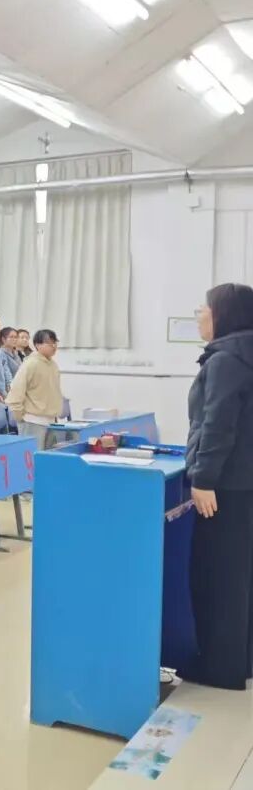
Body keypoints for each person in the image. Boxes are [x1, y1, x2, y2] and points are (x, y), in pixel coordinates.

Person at [181, 283, 253, 690]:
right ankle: (240, 658)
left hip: (224, 486)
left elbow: (217, 424)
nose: (198, 315)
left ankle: (220, 667)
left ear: (223, 314)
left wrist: (204, 479)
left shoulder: (227, 359)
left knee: (216, 576)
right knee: (240, 575)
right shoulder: (244, 353)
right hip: (245, 483)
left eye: (204, 309)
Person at [6, 329, 63, 450]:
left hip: (51, 420)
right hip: (32, 420)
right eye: (49, 343)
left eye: (55, 343)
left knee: (46, 458)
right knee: (31, 457)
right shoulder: (31, 363)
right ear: (37, 345)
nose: (54, 346)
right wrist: (19, 416)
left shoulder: (53, 365)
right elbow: (16, 390)